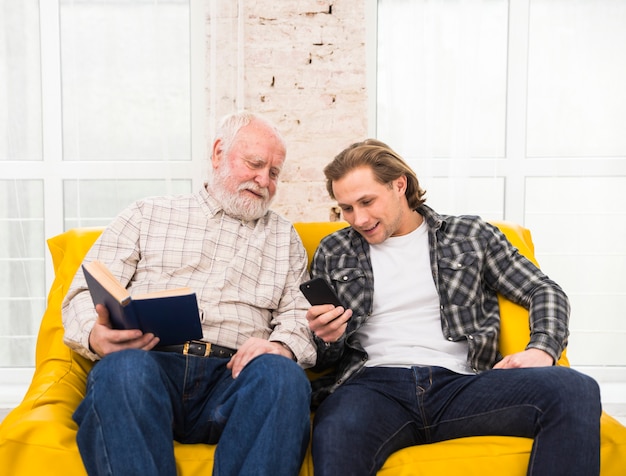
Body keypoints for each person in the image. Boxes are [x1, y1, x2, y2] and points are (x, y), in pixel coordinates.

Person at [305, 139, 602, 476]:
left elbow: (542, 289)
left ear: (399, 184)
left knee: (575, 389)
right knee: (336, 431)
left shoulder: (470, 235)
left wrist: (542, 349)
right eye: (346, 208)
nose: (358, 218)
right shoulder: (334, 250)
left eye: (367, 202)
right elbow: (324, 356)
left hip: (462, 385)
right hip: (372, 387)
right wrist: (328, 337)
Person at [62, 111, 317, 476]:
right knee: (121, 369)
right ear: (218, 153)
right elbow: (82, 292)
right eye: (255, 164)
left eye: (274, 173)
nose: (263, 180)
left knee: (283, 377)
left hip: (234, 377)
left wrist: (281, 347)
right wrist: (94, 333)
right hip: (150, 365)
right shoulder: (146, 213)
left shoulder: (283, 237)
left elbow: (299, 315)